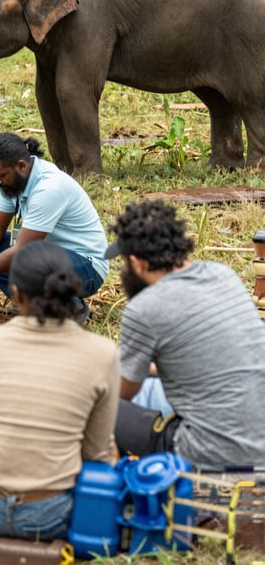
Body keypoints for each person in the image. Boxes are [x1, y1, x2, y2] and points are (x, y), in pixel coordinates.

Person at [0, 241, 120, 541]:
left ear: (15, 293)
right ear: (72, 291)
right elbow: (95, 452)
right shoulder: (103, 353)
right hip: (53, 517)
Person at [106, 199, 265, 470]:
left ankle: (121, 488)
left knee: (98, 403)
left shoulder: (143, 308)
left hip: (210, 453)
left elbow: (122, 392)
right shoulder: (224, 276)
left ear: (137, 263)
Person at [0, 133, 108, 320]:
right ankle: (34, 304)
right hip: (50, 255)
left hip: (86, 266)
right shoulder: (12, 180)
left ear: (21, 166)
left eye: (0, 176)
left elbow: (22, 250)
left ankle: (70, 308)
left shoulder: (49, 188)